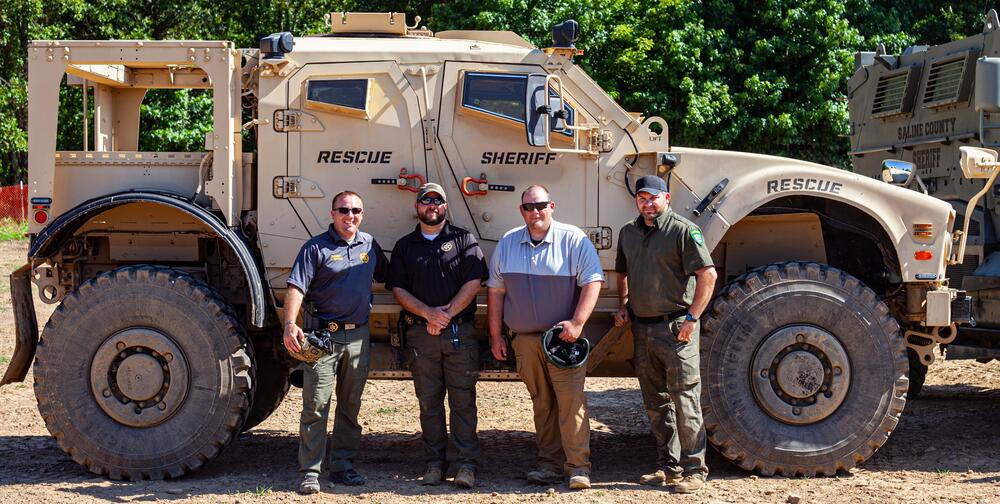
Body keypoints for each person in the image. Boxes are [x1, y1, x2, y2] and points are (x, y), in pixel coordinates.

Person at [487, 185, 605, 490]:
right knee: (543, 404)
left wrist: (577, 324)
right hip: (524, 340)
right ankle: (549, 465)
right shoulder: (508, 242)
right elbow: (496, 292)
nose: (534, 212)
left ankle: (578, 467)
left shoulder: (573, 239)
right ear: (521, 210)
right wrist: (496, 335)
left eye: (540, 205)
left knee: (570, 403)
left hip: (563, 341)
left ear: (551, 205)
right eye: (528, 207)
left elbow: (593, 282)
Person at [612, 175, 717, 494]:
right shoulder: (628, 232)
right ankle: (667, 467)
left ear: (666, 199)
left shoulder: (684, 231)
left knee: (685, 398)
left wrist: (692, 318)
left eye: (653, 197)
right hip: (643, 329)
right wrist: (624, 305)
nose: (648, 203)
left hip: (676, 329)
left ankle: (694, 469)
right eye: (642, 198)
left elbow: (707, 275)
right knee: (655, 401)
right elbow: (622, 272)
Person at [283, 190, 388, 495]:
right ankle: (310, 471)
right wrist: (290, 324)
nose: (350, 216)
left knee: (350, 405)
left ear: (362, 214)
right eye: (344, 210)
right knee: (316, 405)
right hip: (323, 338)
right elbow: (296, 287)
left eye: (356, 210)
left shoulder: (369, 244)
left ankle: (342, 466)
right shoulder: (316, 247)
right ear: (333, 214)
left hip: (358, 336)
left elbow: (392, 278)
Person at [387, 183, 488, 488]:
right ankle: (434, 464)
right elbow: (398, 289)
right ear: (417, 207)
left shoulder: (463, 239)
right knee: (428, 403)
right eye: (425, 200)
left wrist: (445, 315)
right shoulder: (405, 246)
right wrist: (428, 314)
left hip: (459, 333)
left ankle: (465, 465)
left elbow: (473, 283)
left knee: (463, 402)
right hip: (421, 335)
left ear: (445, 206)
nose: (431, 205)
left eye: (437, 201)